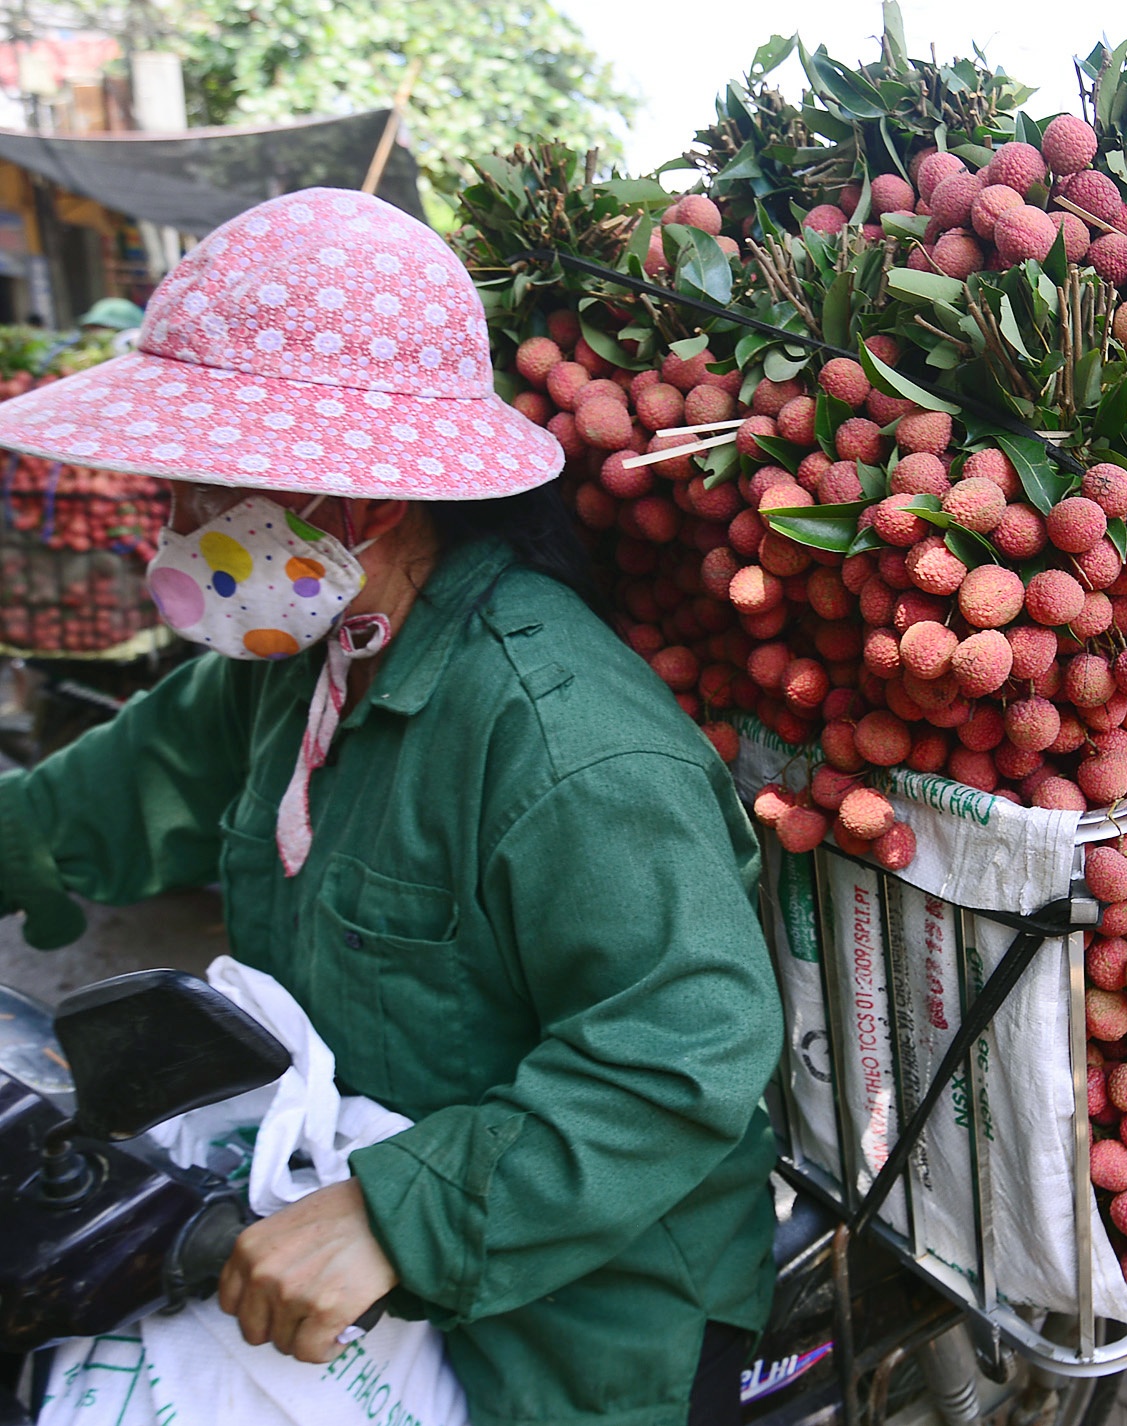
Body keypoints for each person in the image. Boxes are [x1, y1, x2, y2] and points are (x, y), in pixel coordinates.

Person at [0, 190, 782, 1426]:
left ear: (356, 504)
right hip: (327, 1232)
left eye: (198, 489)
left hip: (575, 1327)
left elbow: (686, 1048)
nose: (170, 525)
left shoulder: (564, 740)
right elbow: (107, 787)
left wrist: (393, 1213)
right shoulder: (306, 662)